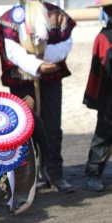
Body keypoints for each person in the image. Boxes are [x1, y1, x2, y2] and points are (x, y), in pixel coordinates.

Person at [0, 0, 76, 193]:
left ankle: (55, 173)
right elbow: (10, 49)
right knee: (24, 128)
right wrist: (35, 65)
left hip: (51, 78)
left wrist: (46, 56)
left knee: (52, 126)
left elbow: (67, 41)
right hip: (22, 80)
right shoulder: (9, 18)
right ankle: (29, 176)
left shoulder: (56, 14)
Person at [83, 1, 112, 192]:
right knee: (104, 134)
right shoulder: (104, 37)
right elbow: (98, 71)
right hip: (109, 96)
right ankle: (93, 172)